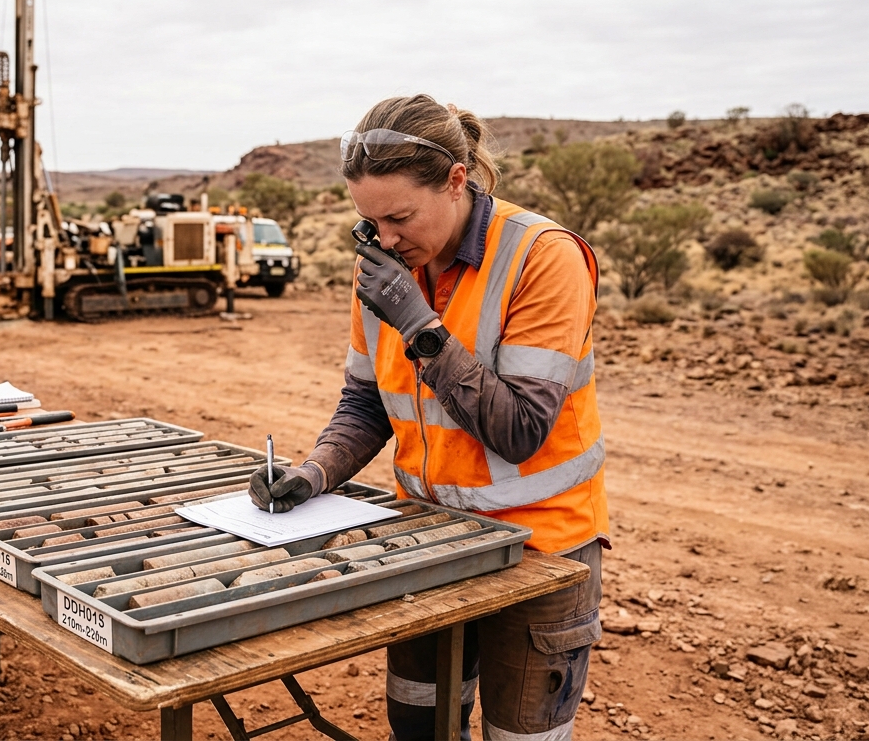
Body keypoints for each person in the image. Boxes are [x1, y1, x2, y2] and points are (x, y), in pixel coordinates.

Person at [248, 94, 607, 741]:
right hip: (429, 538)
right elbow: (366, 402)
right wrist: (315, 473)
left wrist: (418, 324)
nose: (385, 239)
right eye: (369, 221)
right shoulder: (388, 268)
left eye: (400, 217)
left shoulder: (543, 257)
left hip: (541, 549)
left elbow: (521, 430)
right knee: (418, 725)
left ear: (456, 181)